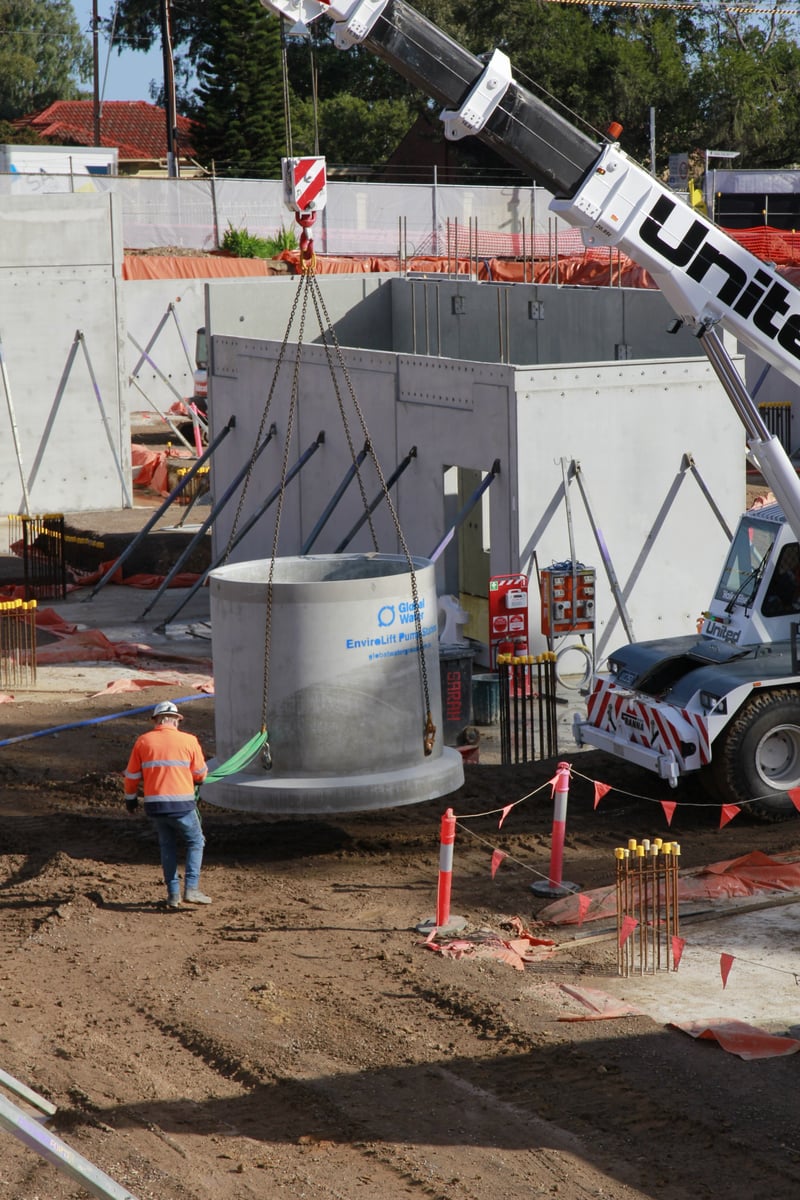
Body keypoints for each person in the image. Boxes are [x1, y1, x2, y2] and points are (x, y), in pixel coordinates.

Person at [124, 700, 211, 908]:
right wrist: (196, 781)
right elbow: (200, 774)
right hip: (182, 805)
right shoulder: (189, 741)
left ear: (156, 721)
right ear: (176, 721)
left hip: (155, 806)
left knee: (167, 846)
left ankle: (173, 895)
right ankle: (191, 889)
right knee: (196, 842)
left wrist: (131, 799)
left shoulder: (143, 742)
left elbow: (131, 776)